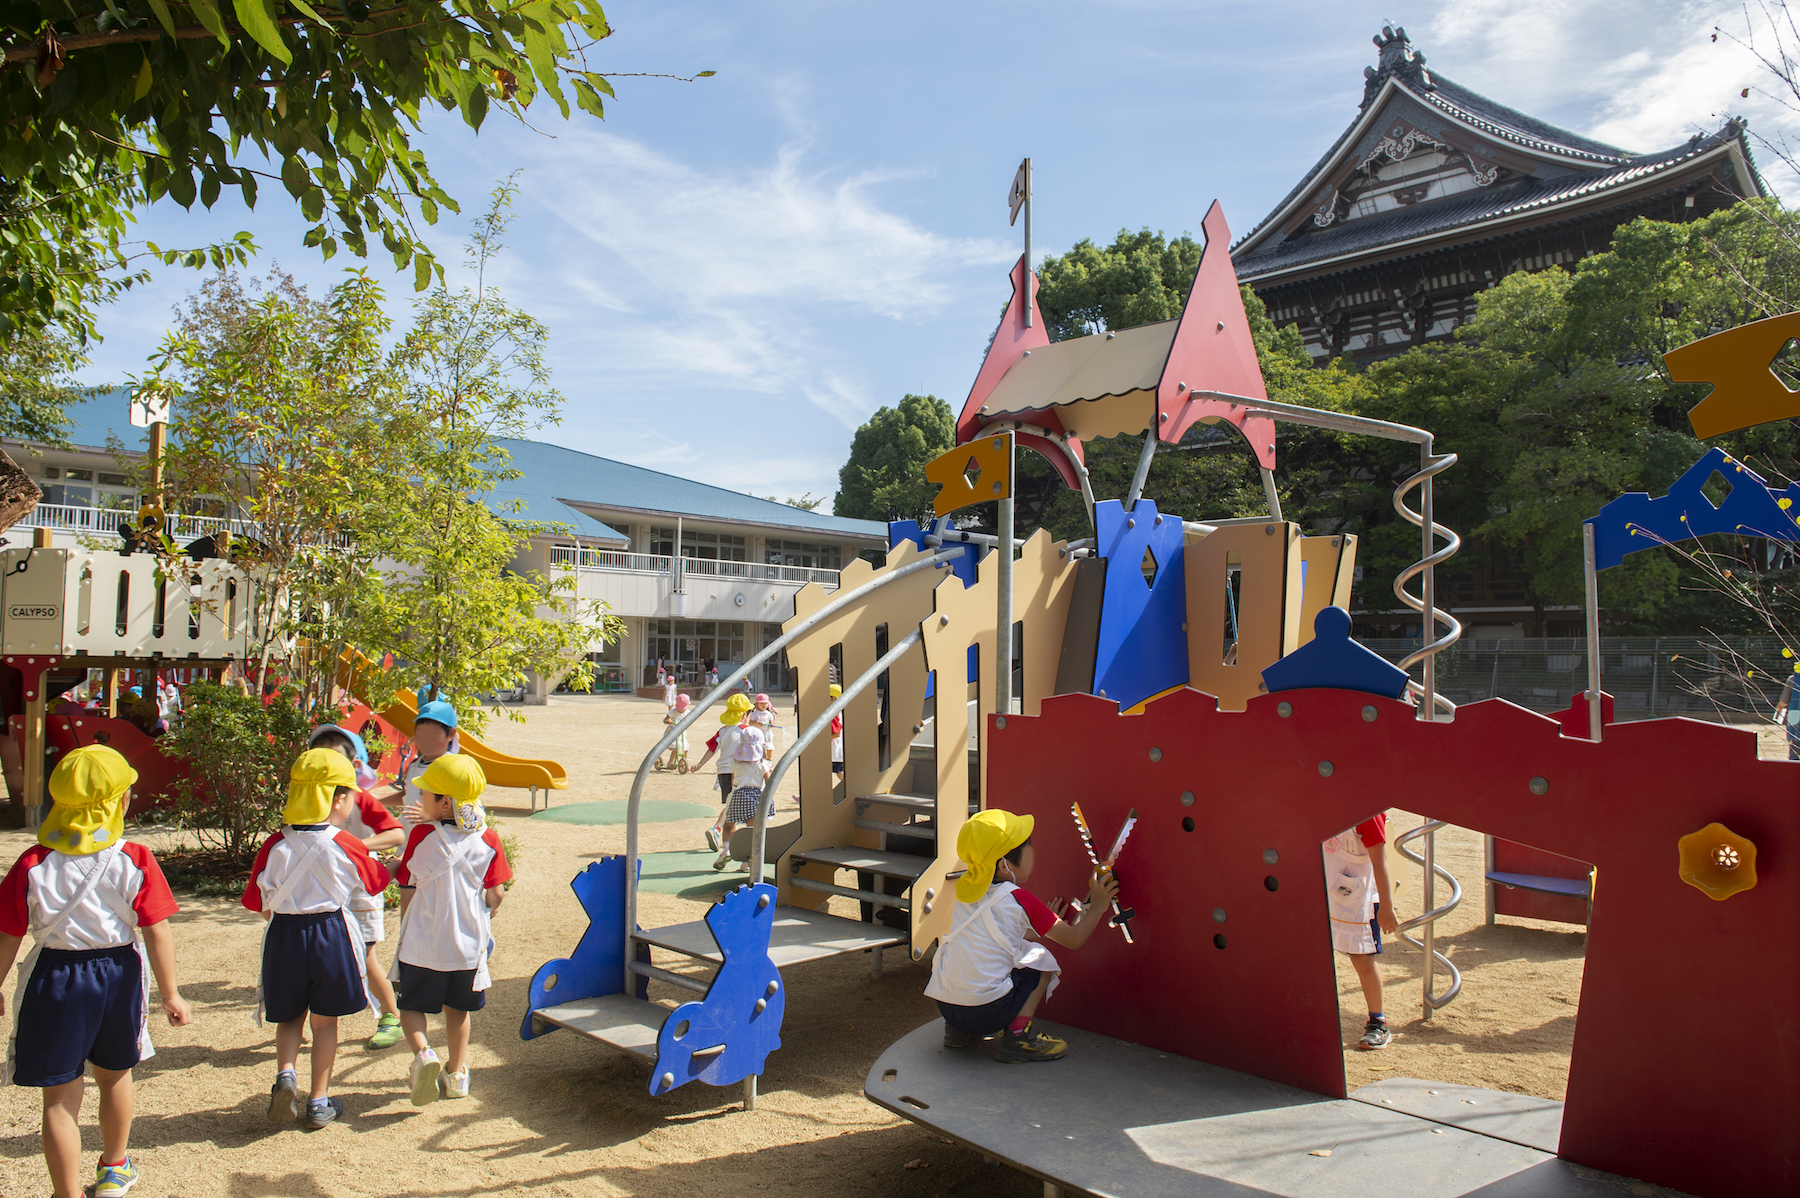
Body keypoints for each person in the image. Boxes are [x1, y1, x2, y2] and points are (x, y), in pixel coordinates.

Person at [0, 745, 191, 1198]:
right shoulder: (136, 858)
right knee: (115, 1075)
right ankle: (114, 1168)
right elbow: (157, 931)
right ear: (118, 801)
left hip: (54, 976)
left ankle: (66, 1193)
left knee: (60, 1098)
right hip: (118, 975)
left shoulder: (32, 863)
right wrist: (171, 993)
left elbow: (8, 934)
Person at [242, 749, 392, 1129]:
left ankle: (286, 1076)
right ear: (338, 798)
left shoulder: (274, 844)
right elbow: (376, 882)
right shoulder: (347, 842)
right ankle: (319, 1101)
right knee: (325, 1024)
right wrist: (398, 861)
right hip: (331, 934)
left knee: (290, 1017)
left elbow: (255, 901)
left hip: (284, 937)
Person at [924, 809, 1118, 1062]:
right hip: (989, 1013)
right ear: (1005, 865)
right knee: (1040, 963)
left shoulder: (965, 892)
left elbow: (998, 932)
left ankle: (959, 1034)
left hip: (949, 1009)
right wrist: (1101, 904)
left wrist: (1044, 923)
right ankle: (1018, 1037)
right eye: (1027, 849)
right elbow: (1074, 939)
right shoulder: (1020, 899)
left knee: (979, 957)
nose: (1032, 853)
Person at [392, 755, 511, 1106]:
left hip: (423, 943)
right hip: (467, 945)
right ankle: (457, 1075)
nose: (421, 798)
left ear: (445, 802)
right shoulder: (488, 839)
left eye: (427, 793)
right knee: (458, 1011)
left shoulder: (422, 836)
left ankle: (424, 1055)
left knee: (411, 1006)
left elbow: (407, 881)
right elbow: (497, 894)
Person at [307, 724, 407, 1050]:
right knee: (321, 956)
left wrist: (355, 845)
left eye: (335, 760)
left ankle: (391, 1016)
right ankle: (319, 1019)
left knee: (364, 955)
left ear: (352, 765)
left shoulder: (360, 799)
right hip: (325, 889)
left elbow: (395, 835)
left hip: (361, 889)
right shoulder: (309, 799)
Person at [1322, 813, 1400, 1051]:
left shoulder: (1368, 814)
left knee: (1362, 960)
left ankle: (1378, 1021)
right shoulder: (1322, 801)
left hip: (1361, 896)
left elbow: (1380, 861)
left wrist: (1386, 906)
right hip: (1329, 885)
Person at [712, 700, 769, 873]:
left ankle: (727, 849)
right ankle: (748, 861)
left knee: (729, 826)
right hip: (756, 798)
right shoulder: (763, 764)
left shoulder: (736, 764)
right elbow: (769, 781)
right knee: (753, 831)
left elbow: (733, 781)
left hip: (737, 796)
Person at [691, 693, 752, 852]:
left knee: (731, 804)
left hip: (722, 772)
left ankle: (729, 843)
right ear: (744, 714)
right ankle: (717, 828)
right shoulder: (746, 731)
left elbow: (711, 749)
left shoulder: (722, 731)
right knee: (734, 806)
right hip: (737, 772)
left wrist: (700, 764)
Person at [398, 699, 460, 830]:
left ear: (451, 734)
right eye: (421, 734)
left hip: (436, 844)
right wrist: (377, 798)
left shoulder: (452, 768)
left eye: (433, 734)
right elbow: (410, 794)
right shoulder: (416, 765)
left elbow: (465, 809)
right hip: (410, 844)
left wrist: (433, 816)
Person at [656, 694, 692, 773]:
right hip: (672, 732)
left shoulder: (687, 712)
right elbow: (665, 719)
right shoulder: (673, 712)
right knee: (676, 748)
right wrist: (667, 721)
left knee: (685, 747)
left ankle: (684, 762)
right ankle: (670, 762)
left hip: (681, 732)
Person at [1773, 673, 1800, 760]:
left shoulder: (1793, 679)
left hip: (1796, 720)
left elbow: (1784, 701)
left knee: (1794, 751)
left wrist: (1780, 706)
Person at [828, 683, 844, 778]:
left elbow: (836, 734)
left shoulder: (834, 713)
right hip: (837, 750)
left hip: (835, 750)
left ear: (833, 699)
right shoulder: (839, 711)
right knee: (840, 771)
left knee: (840, 772)